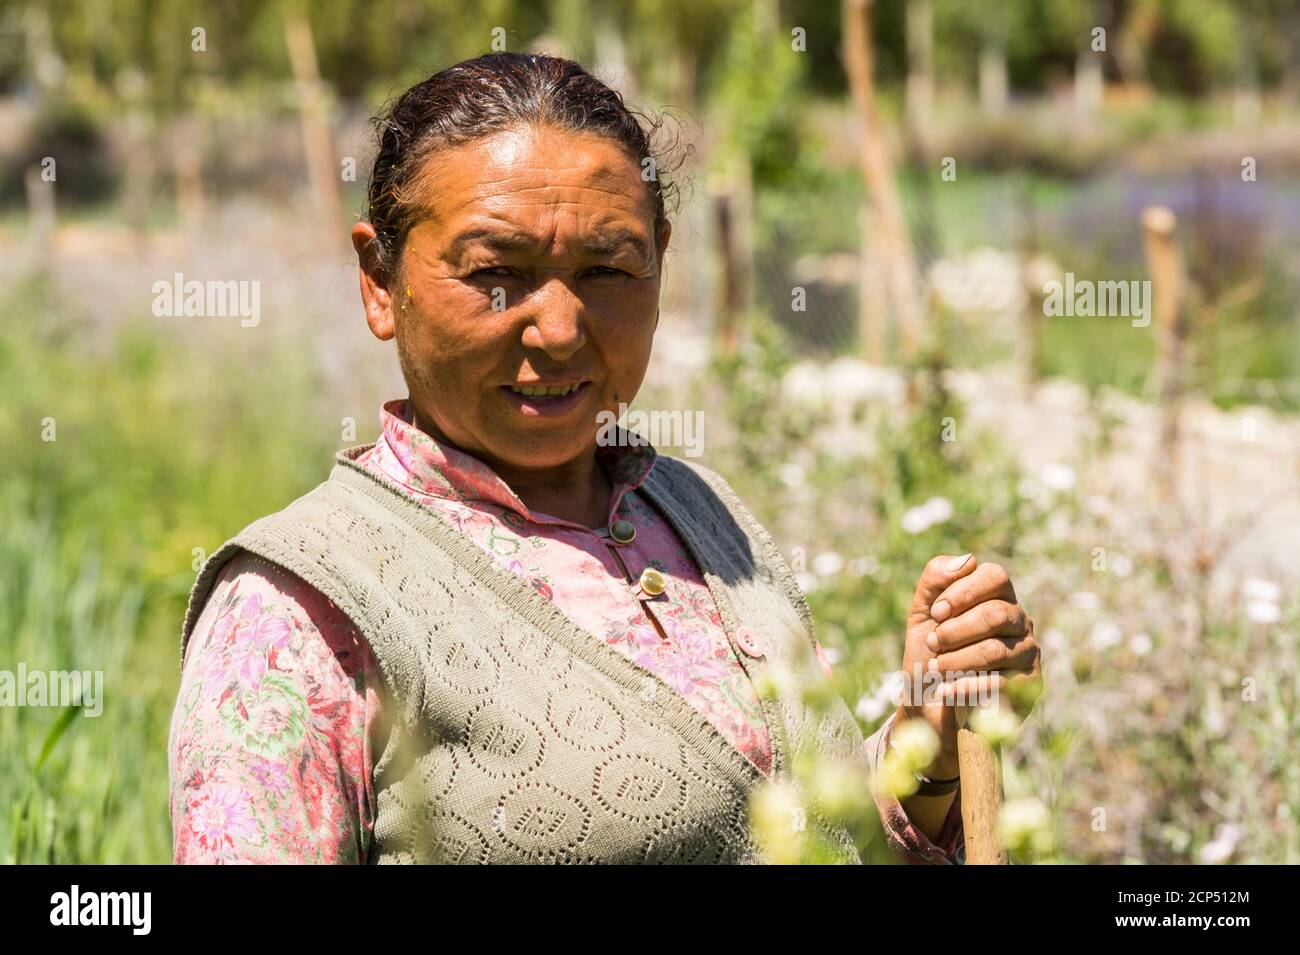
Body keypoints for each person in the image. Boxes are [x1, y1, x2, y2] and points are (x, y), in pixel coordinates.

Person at [168, 52, 1040, 864]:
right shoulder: (297, 612)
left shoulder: (701, 514)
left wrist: (927, 741)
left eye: (609, 270)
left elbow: (814, 830)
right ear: (379, 281)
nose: (558, 329)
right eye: (495, 274)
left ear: (660, 260)